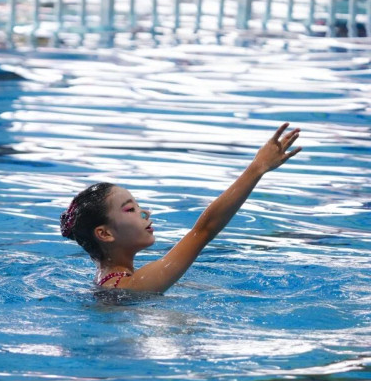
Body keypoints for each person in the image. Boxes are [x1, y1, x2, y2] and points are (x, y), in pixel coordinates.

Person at [60, 123, 302, 295]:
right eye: (130, 209)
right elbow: (204, 230)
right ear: (105, 234)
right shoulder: (133, 286)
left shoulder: (111, 284)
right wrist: (257, 168)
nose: (146, 213)